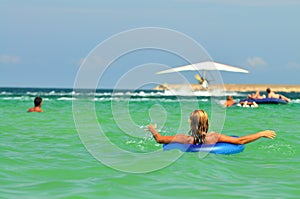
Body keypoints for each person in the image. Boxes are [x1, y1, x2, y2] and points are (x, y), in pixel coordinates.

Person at [147, 110, 276, 145]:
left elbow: (159, 139)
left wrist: (152, 128)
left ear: (191, 123)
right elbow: (240, 141)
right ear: (206, 123)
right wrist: (261, 133)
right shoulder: (214, 137)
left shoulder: (184, 139)